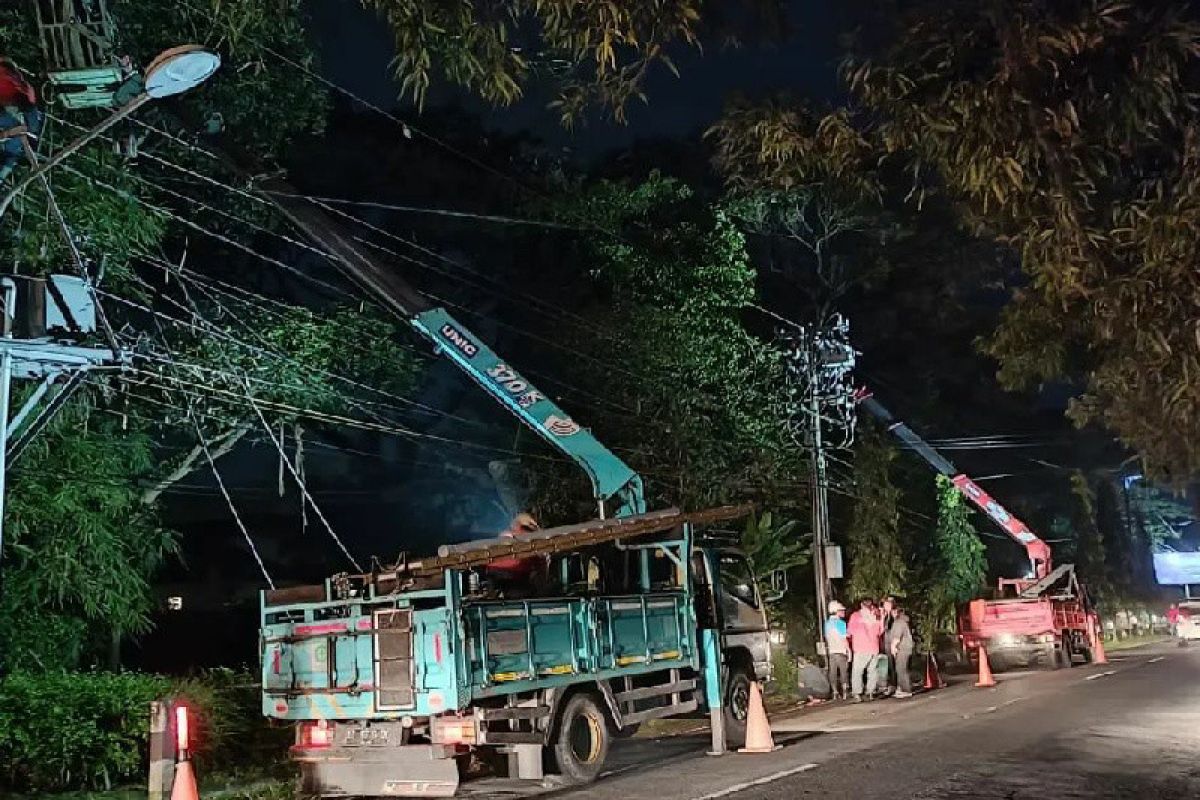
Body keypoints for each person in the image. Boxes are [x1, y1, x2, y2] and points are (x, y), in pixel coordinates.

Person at [485, 512, 546, 597]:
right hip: (513, 580)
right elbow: (541, 570)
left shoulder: (504, 534)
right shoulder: (531, 539)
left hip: (493, 576)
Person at [0, 58, 42, 182]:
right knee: (11, 156)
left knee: (11, 155)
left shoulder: (14, 80)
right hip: (15, 119)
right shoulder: (16, 80)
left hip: (16, 117)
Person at [847, 598, 883, 702]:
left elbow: (850, 631)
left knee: (857, 671)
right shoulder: (876, 616)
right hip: (874, 647)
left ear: (862, 605)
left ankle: (857, 693)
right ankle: (870, 692)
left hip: (861, 647)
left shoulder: (856, 616)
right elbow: (880, 631)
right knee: (872, 671)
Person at [824, 601, 851, 700]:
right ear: (836, 611)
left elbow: (828, 637)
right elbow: (843, 639)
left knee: (833, 673)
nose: (843, 612)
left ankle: (835, 692)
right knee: (844, 672)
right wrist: (849, 650)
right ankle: (845, 692)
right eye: (841, 610)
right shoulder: (840, 623)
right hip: (841, 651)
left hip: (832, 651)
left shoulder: (827, 624)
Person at [889, 604, 915, 699]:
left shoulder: (899, 622)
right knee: (902, 668)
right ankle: (902, 688)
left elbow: (897, 637)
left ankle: (905, 689)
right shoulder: (904, 621)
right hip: (906, 648)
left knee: (901, 669)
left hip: (902, 648)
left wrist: (893, 647)